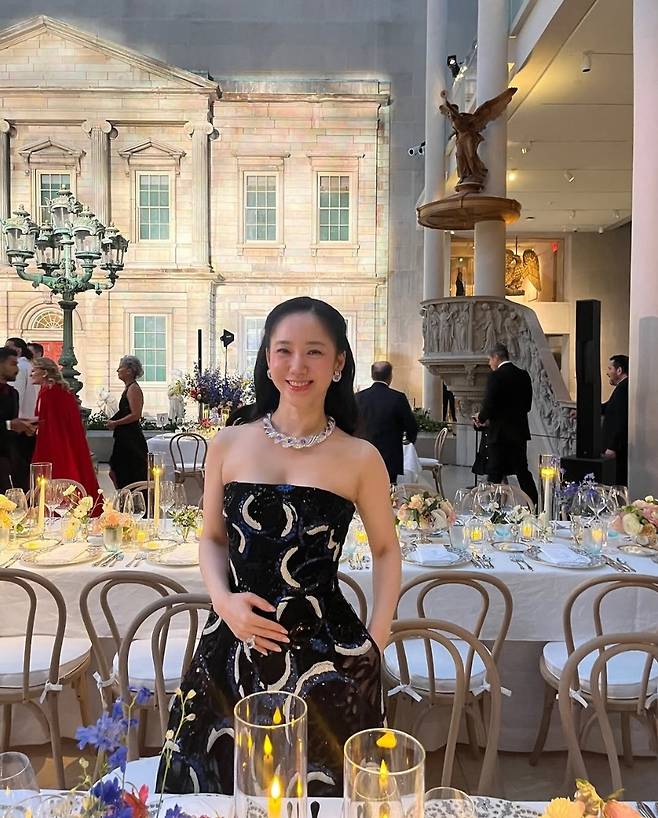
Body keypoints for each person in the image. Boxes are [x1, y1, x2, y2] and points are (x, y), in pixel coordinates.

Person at [157, 297, 400, 796]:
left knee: (325, 793)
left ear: (338, 364)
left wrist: (375, 640)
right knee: (215, 789)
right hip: (233, 643)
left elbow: (385, 550)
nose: (297, 366)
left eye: (314, 352)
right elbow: (212, 538)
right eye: (284, 350)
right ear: (267, 360)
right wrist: (224, 602)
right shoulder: (228, 443)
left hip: (329, 655)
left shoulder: (361, 457)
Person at [473, 342, 538, 506]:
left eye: (490, 359)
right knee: (522, 472)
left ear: (496, 357)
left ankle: (493, 509)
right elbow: (527, 406)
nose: (489, 363)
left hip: (499, 434)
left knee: (495, 473)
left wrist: (481, 418)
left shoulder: (495, 376)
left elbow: (489, 404)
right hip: (518, 433)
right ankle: (535, 505)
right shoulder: (523, 375)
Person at [31, 357, 100, 498]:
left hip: (53, 445)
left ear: (44, 373)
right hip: (63, 442)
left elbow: (52, 425)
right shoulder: (57, 391)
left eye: (34, 370)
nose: (31, 374)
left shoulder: (50, 393)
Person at [355, 361, 418, 484]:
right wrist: (409, 440)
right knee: (388, 489)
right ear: (390, 376)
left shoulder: (358, 397)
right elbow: (411, 426)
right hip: (390, 456)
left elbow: (351, 424)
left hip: (363, 455)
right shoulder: (398, 398)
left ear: (372, 375)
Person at [107, 356, 148, 489]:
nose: (117, 370)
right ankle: (123, 495)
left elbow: (136, 414)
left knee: (128, 472)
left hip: (131, 438)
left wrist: (116, 423)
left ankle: (129, 496)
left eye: (120, 367)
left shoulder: (133, 389)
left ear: (129, 370)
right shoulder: (129, 388)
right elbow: (125, 411)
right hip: (124, 437)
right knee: (116, 471)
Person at [5, 337, 39, 490]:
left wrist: (17, 423)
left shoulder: (20, 369)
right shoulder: (29, 366)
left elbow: (19, 398)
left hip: (19, 429)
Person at [601, 353, 629, 486]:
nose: (607, 373)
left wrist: (613, 447)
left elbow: (621, 421)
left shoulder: (623, 388)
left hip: (617, 451)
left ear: (619, 370)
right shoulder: (622, 387)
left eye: (610, 368)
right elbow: (607, 407)